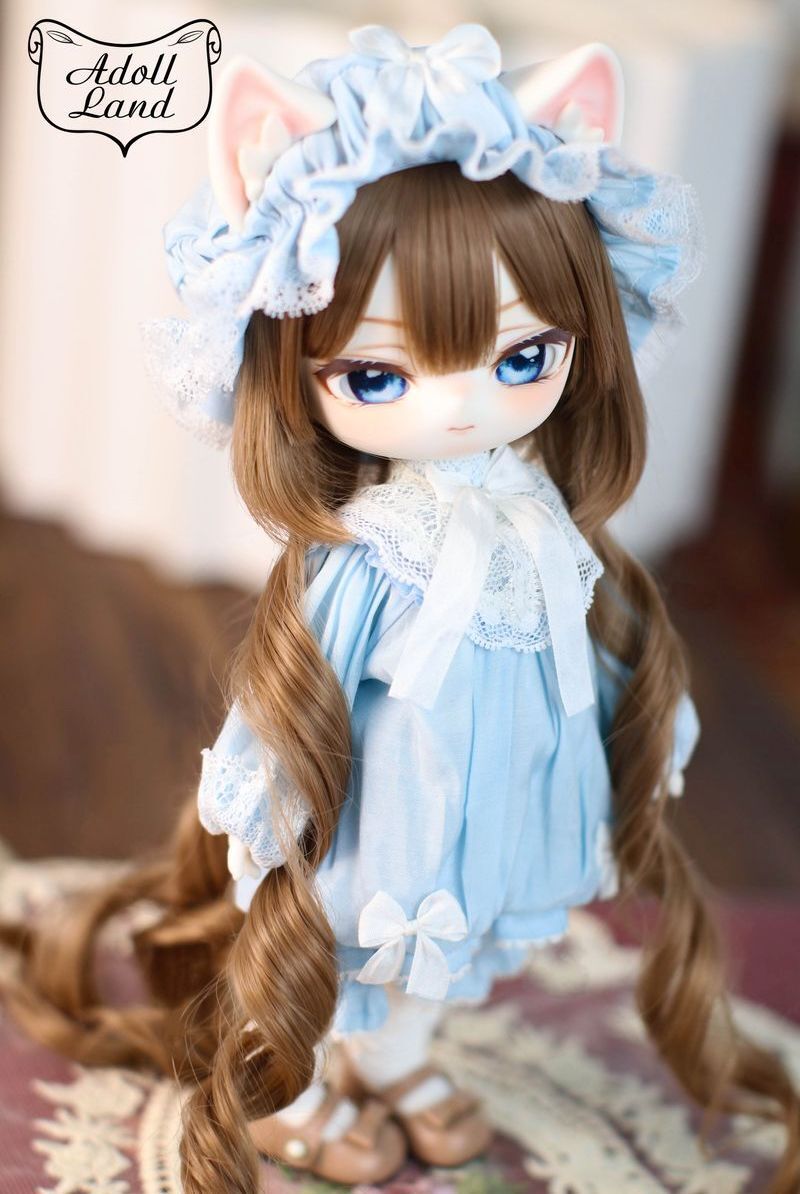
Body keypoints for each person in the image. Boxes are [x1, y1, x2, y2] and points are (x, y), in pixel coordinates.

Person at [4, 23, 799, 1194]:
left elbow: (590, 642)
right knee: (336, 947)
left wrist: (638, 730)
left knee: (449, 949)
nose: (459, 409)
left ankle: (400, 1060)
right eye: (377, 376)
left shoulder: (540, 522)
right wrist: (265, 798)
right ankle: (295, 1083)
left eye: (522, 358)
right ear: (298, 368)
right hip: (381, 811)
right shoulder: (378, 548)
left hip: (500, 804)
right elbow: (298, 685)